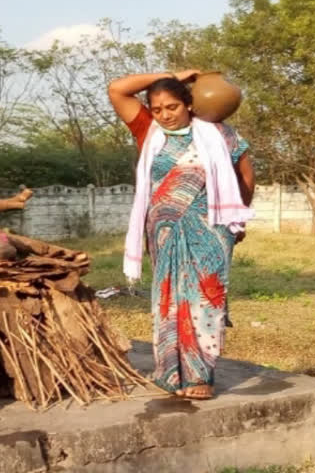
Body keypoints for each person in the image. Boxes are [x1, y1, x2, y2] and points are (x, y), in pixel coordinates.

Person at [108, 70, 255, 399]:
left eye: (172, 107)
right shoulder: (149, 131)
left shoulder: (220, 134)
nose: (164, 115)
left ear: (189, 104)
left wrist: (237, 218)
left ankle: (201, 375)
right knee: (168, 301)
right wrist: (174, 75)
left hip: (212, 229)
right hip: (164, 232)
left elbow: (245, 175)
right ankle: (171, 373)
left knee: (206, 297)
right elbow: (117, 89)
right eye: (157, 108)